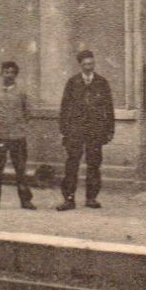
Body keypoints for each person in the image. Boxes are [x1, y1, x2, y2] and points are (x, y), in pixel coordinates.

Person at [57, 49, 113, 210]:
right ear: (80, 65)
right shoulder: (72, 82)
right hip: (75, 130)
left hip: (95, 130)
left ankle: (91, 198)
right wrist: (64, 129)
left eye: (91, 63)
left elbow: (108, 108)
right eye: (85, 64)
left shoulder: (102, 82)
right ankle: (69, 199)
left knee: (94, 164)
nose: (89, 67)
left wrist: (109, 130)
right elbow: (64, 107)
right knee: (72, 164)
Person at [0, 60, 35, 210]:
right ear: (1, 73)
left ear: (16, 75)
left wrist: (18, 125)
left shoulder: (22, 93)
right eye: (6, 72)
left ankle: (25, 200)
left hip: (17, 137)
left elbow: (28, 112)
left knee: (20, 169)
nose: (9, 75)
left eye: (12, 72)